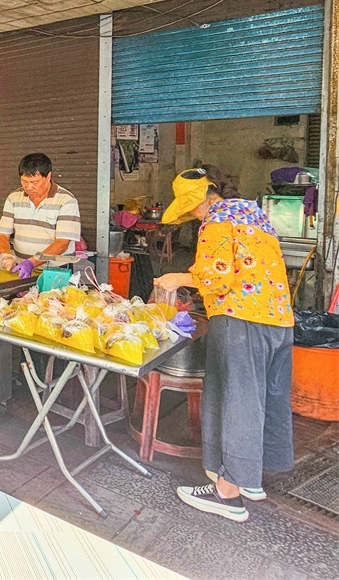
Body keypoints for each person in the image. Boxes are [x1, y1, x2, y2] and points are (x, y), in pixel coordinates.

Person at [154, 167, 294, 523]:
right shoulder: (252, 213)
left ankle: (228, 495)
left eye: (191, 207)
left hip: (240, 319)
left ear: (203, 198)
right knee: (263, 397)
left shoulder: (216, 223)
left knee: (234, 400)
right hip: (278, 320)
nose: (192, 215)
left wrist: (180, 277)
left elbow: (216, 278)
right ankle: (249, 479)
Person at [0, 153, 81, 278]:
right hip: (22, 270)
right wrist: (6, 254)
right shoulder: (13, 198)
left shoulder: (66, 200)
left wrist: (32, 262)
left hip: (55, 271)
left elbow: (62, 243)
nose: (29, 187)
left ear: (48, 176)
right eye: (24, 181)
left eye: (35, 182)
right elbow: (2, 234)